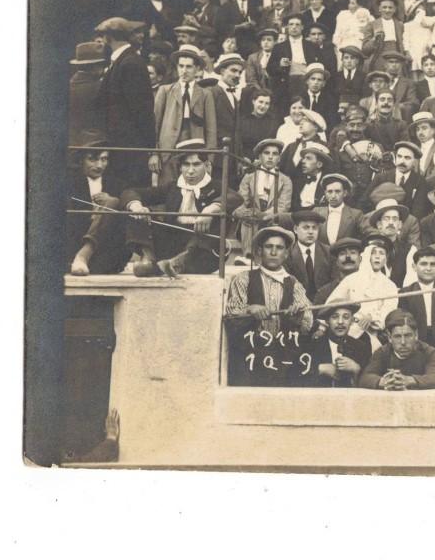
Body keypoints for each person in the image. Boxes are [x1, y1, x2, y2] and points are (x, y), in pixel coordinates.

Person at [122, 138, 233, 276]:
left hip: (201, 247)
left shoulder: (216, 186)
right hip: (172, 242)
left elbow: (235, 198)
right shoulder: (172, 187)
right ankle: (149, 259)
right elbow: (131, 192)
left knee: (220, 218)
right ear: (180, 167)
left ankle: (176, 264)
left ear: (207, 165)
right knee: (137, 212)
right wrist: (136, 206)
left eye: (196, 164)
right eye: (186, 165)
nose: (190, 171)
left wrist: (211, 209)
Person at [222, 226, 316, 387]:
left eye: (279, 248)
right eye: (268, 247)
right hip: (249, 357)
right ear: (259, 251)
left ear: (286, 254)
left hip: (283, 357)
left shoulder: (294, 284)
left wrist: (298, 316)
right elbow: (231, 316)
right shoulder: (243, 279)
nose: (273, 252)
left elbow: (307, 322)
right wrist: (249, 309)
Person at [93, 17, 155, 187]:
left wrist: (149, 146)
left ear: (108, 38)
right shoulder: (123, 61)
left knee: (130, 195)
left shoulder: (130, 63)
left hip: (130, 149)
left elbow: (141, 110)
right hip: (122, 146)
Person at [67, 140, 132, 276]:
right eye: (92, 159)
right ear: (81, 160)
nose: (99, 165)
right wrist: (93, 214)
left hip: (106, 253)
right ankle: (81, 256)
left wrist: (111, 204)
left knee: (113, 201)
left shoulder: (117, 184)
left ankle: (84, 255)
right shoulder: (70, 183)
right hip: (73, 246)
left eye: (104, 159)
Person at [325, 240, 399, 352]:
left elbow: (389, 311)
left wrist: (372, 317)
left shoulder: (390, 286)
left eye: (381, 253)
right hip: (348, 331)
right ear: (367, 256)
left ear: (386, 259)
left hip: (374, 335)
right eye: (374, 253)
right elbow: (332, 303)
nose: (377, 257)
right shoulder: (351, 279)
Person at [359, 309, 435, 390]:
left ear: (416, 335)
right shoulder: (382, 352)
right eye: (397, 336)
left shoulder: (428, 352)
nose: (403, 342)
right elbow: (365, 378)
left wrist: (410, 380)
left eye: (408, 335)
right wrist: (383, 381)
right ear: (389, 337)